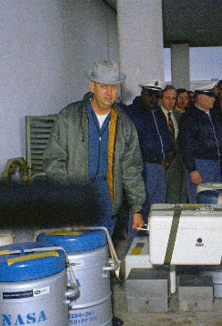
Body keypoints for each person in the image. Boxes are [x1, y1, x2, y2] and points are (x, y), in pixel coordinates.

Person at [43, 60, 145, 238]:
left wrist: (137, 208)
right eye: (104, 86)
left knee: (101, 248)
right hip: (77, 193)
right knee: (77, 250)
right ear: (92, 86)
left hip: (107, 195)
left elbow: (132, 168)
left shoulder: (124, 124)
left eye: (114, 87)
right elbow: (54, 161)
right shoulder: (69, 117)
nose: (109, 92)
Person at [126, 80, 176, 227]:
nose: (153, 99)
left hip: (159, 167)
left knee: (158, 209)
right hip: (142, 168)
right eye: (149, 95)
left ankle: (154, 244)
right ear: (142, 94)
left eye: (156, 95)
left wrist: (169, 155)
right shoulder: (133, 113)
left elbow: (166, 138)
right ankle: (134, 245)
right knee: (139, 209)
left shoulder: (158, 113)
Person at [179, 82, 222, 201]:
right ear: (200, 97)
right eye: (210, 96)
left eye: (213, 96)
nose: (213, 99)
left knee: (215, 200)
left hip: (216, 164)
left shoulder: (214, 114)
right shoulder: (189, 117)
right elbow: (185, 145)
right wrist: (192, 170)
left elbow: (220, 138)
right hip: (200, 164)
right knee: (200, 201)